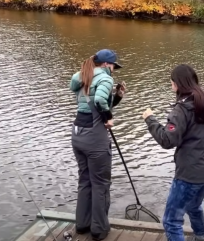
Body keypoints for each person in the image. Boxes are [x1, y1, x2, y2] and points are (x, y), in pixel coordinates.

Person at [142, 64, 204, 241]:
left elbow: (167, 140)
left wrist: (150, 120)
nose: (171, 85)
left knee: (171, 221)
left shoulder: (181, 109)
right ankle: (201, 237)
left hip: (188, 174)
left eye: (172, 82)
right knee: (193, 206)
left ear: (177, 84)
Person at [69, 49, 126, 241]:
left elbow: (92, 103)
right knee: (100, 183)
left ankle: (82, 224)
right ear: (107, 65)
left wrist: (117, 97)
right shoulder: (105, 78)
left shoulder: (83, 76)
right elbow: (101, 100)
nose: (113, 71)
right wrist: (108, 119)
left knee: (85, 180)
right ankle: (99, 230)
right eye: (113, 67)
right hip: (94, 138)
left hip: (77, 134)